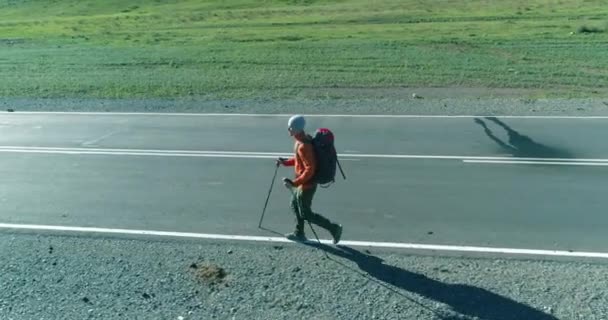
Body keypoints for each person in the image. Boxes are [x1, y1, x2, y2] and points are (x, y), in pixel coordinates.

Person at [277, 114, 343, 244]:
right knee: (295, 206)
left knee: (306, 214)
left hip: (307, 185)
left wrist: (294, 183)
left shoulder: (303, 146)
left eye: (290, 128)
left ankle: (334, 228)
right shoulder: (301, 141)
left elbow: (310, 169)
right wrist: (285, 162)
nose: (288, 130)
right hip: (302, 183)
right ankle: (299, 233)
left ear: (296, 129)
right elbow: (300, 160)